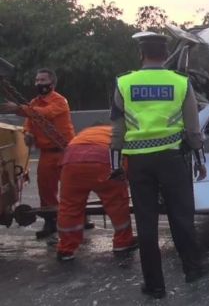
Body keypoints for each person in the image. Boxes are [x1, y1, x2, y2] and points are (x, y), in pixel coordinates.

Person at [110, 31, 208, 299]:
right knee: (181, 217)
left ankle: (155, 286)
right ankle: (193, 269)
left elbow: (117, 129)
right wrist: (200, 159)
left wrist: (115, 165)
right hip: (173, 159)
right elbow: (192, 127)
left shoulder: (124, 83)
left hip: (139, 162)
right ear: (165, 56)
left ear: (141, 54)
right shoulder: (180, 83)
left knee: (146, 223)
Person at [0, 68, 75, 239]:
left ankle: (81, 217)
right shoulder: (33, 103)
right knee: (46, 190)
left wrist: (18, 109)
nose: (39, 83)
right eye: (37, 80)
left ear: (52, 83)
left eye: (42, 80)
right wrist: (28, 133)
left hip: (66, 150)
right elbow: (30, 123)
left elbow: (45, 114)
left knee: (72, 188)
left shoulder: (60, 101)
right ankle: (51, 222)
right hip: (47, 153)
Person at [56, 125, 138, 261]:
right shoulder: (119, 133)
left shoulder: (85, 133)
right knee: (116, 203)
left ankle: (66, 249)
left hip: (71, 163)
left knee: (69, 206)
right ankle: (122, 242)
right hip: (103, 160)